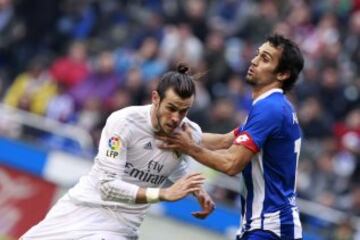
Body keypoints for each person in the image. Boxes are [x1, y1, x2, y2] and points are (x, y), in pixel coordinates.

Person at [21, 63, 215, 240]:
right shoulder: (125, 122)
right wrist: (164, 194)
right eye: (171, 108)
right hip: (83, 205)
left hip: (119, 226)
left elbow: (176, 166)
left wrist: (199, 192)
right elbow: (108, 186)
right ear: (155, 98)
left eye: (183, 111)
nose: (176, 118)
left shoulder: (188, 133)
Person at [158, 34, 305, 240]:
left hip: (270, 228)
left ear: (282, 74)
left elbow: (231, 163)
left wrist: (188, 147)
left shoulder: (270, 109)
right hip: (267, 225)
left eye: (265, 59)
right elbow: (225, 141)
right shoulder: (273, 106)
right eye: (257, 54)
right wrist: (179, 132)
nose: (254, 61)